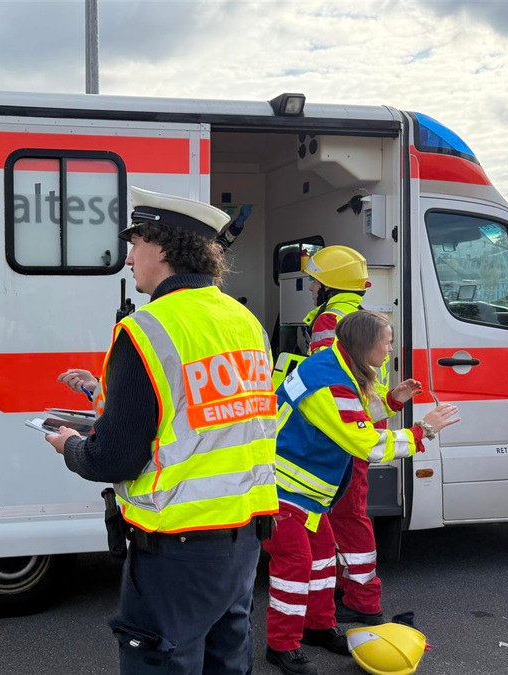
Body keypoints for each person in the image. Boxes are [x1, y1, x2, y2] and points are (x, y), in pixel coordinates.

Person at [46, 186, 279, 675]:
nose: (129, 258)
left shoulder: (147, 328)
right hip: (243, 541)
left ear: (165, 249)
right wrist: (100, 394)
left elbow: (113, 458)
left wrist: (71, 447)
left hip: (176, 547)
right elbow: (206, 413)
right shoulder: (245, 321)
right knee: (227, 663)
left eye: (136, 244)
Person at [265, 310, 459, 675]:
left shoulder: (334, 367)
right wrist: (423, 432)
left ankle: (317, 627)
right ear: (365, 344)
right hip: (283, 491)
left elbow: (347, 415)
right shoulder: (330, 381)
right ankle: (281, 646)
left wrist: (391, 402)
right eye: (386, 341)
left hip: (303, 494)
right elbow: (365, 444)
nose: (390, 349)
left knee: (321, 562)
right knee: (294, 569)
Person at [300, 245, 400, 625]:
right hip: (361, 423)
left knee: (347, 513)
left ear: (329, 286)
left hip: (344, 430)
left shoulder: (330, 321)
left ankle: (361, 599)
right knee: (350, 512)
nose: (310, 288)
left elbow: (330, 381)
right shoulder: (360, 316)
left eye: (315, 281)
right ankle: (354, 590)